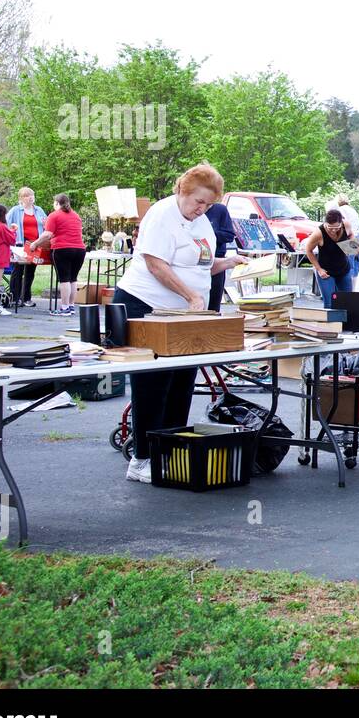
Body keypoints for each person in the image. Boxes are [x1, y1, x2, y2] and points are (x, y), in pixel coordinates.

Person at [113, 163, 241, 483]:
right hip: (147, 306)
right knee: (153, 384)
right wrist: (191, 296)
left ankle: (168, 451)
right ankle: (141, 458)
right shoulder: (161, 215)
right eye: (199, 202)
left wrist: (229, 263)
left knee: (182, 383)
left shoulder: (202, 223)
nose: (202, 209)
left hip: (184, 313)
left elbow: (202, 265)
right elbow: (156, 264)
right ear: (182, 191)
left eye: (209, 205)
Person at [29, 193, 87, 317]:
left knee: (64, 279)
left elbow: (47, 234)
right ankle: (71, 306)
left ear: (56, 203)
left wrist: (35, 244)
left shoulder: (54, 215)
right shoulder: (76, 215)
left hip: (62, 249)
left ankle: (64, 308)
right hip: (80, 250)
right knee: (73, 279)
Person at [301, 209, 354, 304]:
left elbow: (351, 234)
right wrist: (319, 269)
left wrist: (351, 248)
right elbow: (308, 250)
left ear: (341, 223)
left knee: (347, 302)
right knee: (330, 302)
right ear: (325, 223)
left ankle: (345, 319)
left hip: (343, 269)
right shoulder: (318, 233)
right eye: (330, 227)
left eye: (336, 227)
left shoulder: (346, 225)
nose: (333, 230)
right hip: (326, 272)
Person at [6, 187, 47, 308]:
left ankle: (26, 298)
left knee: (30, 271)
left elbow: (46, 223)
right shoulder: (15, 210)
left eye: (32, 195)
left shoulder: (39, 210)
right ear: (21, 198)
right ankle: (14, 297)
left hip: (35, 244)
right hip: (21, 243)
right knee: (17, 270)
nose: (30, 197)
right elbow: (6, 223)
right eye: (27, 195)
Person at [204, 201, 236, 311]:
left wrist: (209, 233)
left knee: (213, 305)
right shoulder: (192, 210)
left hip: (218, 260)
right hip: (197, 261)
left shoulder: (220, 210)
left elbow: (229, 235)